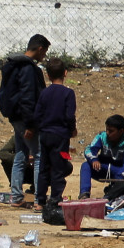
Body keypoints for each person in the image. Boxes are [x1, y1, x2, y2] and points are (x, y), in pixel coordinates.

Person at [0, 34, 50, 207]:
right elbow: (28, 97)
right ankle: (38, 199)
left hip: (15, 116)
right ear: (40, 49)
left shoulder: (13, 65)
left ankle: (16, 196)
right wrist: (30, 124)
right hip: (25, 118)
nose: (44, 57)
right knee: (38, 155)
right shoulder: (28, 68)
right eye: (44, 52)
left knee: (21, 153)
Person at [31, 58, 77, 208]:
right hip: (61, 137)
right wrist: (72, 130)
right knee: (59, 166)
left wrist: (35, 129)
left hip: (45, 135)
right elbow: (69, 116)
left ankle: (40, 201)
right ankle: (56, 199)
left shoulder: (44, 93)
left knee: (44, 167)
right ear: (65, 73)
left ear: (48, 75)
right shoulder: (68, 93)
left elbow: (37, 115)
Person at [79, 114, 124, 199]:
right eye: (107, 130)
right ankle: (84, 194)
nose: (108, 133)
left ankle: (110, 194)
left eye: (111, 131)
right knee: (86, 165)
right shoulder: (102, 136)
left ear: (121, 131)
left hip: (119, 172)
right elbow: (89, 150)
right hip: (102, 168)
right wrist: (94, 159)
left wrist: (119, 179)